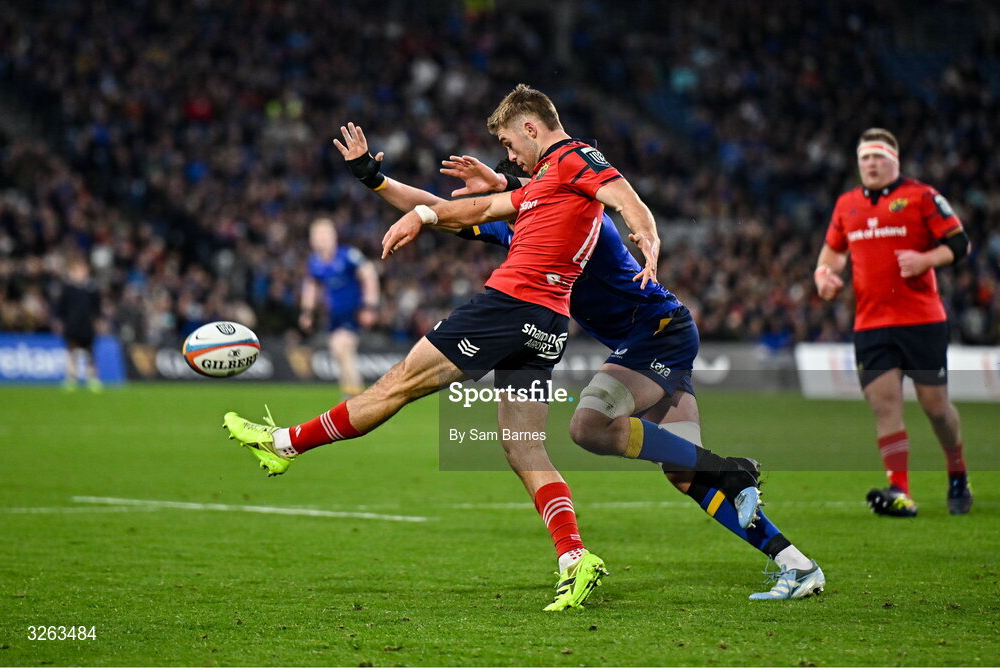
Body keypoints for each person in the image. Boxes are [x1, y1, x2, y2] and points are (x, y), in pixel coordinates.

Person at [225, 83, 693, 611]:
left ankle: (284, 443)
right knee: (523, 446)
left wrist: (647, 237)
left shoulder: (569, 160)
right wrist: (375, 180)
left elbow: (623, 196)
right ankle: (574, 557)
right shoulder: (535, 197)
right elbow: (452, 208)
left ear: (531, 127)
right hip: (548, 324)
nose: (508, 156)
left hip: (511, 304)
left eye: (510, 145)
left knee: (397, 382)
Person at [334, 123, 822, 601]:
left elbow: (598, 195)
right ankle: (796, 564)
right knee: (685, 472)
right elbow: (441, 210)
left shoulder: (575, 212)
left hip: (656, 331)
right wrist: (371, 177)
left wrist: (643, 234)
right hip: (650, 339)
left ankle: (729, 469)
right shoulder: (518, 233)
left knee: (589, 426)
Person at [814, 128, 973, 517]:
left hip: (921, 321)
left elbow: (959, 244)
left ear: (894, 161)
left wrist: (925, 260)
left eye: (878, 157)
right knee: (885, 407)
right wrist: (824, 278)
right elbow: (830, 257)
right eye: (864, 157)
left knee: (936, 407)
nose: (870, 163)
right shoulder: (846, 205)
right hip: (871, 324)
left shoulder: (922, 197)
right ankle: (900, 491)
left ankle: (957, 472)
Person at [299, 217, 380, 398]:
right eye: (316, 236)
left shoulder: (348, 255)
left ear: (333, 236)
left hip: (353, 313)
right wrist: (307, 312)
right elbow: (311, 286)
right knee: (339, 352)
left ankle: (355, 396)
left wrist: (370, 306)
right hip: (334, 316)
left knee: (342, 347)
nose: (320, 240)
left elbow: (369, 274)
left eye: (323, 235)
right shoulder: (315, 262)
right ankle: (351, 395)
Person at [54, 258, 103, 393]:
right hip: (72, 325)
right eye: (79, 270)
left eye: (84, 270)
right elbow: (61, 307)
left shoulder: (91, 289)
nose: (82, 273)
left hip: (87, 326)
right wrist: (59, 321)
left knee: (89, 353)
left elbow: (97, 309)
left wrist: (98, 322)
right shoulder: (68, 289)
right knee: (71, 352)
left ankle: (92, 379)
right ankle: (71, 379)